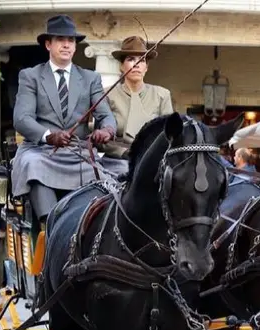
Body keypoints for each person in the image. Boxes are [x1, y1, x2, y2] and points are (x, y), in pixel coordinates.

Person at [11, 15, 118, 225]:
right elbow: (22, 118)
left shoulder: (90, 78)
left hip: (78, 154)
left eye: (71, 40)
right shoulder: (30, 76)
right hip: (41, 151)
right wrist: (48, 136)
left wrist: (106, 130)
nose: (67, 45)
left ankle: (88, 228)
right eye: (61, 39)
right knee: (32, 165)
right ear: (48, 44)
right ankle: (49, 225)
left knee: (106, 176)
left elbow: (106, 116)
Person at [99, 36, 174, 179]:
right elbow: (102, 141)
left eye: (142, 60)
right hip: (117, 162)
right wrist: (124, 152)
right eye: (131, 59)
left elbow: (168, 135)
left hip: (153, 162)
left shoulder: (161, 95)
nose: (137, 64)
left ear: (146, 67)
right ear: (121, 66)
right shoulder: (107, 95)